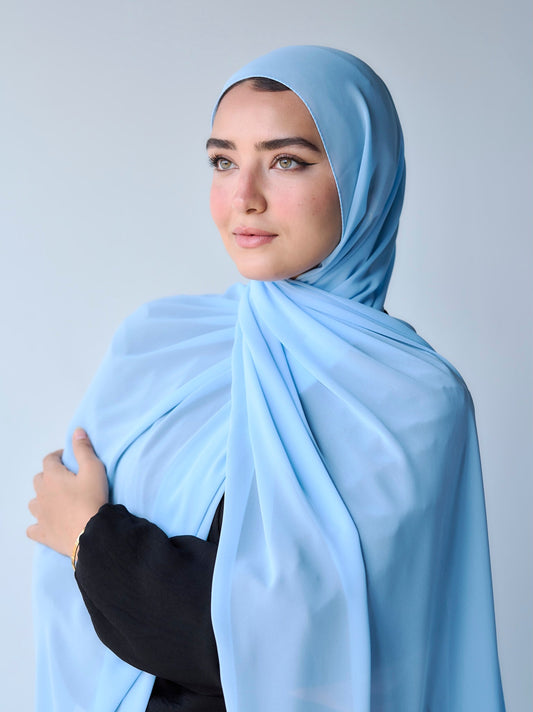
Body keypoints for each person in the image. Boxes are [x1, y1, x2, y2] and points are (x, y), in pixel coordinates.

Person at [27, 45, 506, 711]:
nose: (244, 197)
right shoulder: (160, 343)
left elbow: (265, 642)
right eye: (224, 161)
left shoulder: (412, 400)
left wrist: (89, 536)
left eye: (287, 161)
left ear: (364, 179)